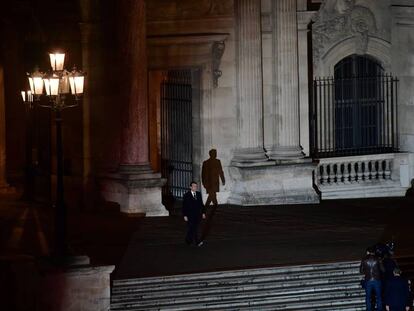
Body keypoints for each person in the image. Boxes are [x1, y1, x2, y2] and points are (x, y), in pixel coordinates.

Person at [182, 181, 206, 246]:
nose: (195, 187)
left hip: (197, 215)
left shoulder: (198, 194)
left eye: (196, 186)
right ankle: (197, 242)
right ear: (190, 187)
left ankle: (188, 240)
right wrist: (185, 215)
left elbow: (201, 204)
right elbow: (184, 206)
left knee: (193, 228)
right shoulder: (186, 195)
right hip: (189, 215)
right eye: (194, 186)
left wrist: (203, 212)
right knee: (193, 228)